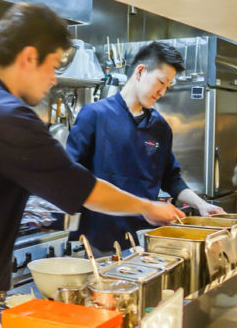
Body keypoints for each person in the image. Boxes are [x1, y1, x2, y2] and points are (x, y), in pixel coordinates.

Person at [0, 4, 185, 317]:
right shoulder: (4, 115)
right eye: (54, 66)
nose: (53, 79)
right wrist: (148, 207)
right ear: (28, 58)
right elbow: (82, 188)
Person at [66, 41, 225, 256]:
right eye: (161, 82)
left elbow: (171, 178)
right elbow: (73, 176)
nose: (162, 92)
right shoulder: (95, 115)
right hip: (100, 244)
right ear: (140, 71)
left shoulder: (160, 127)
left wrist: (201, 205)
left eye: (168, 86)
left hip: (147, 241)